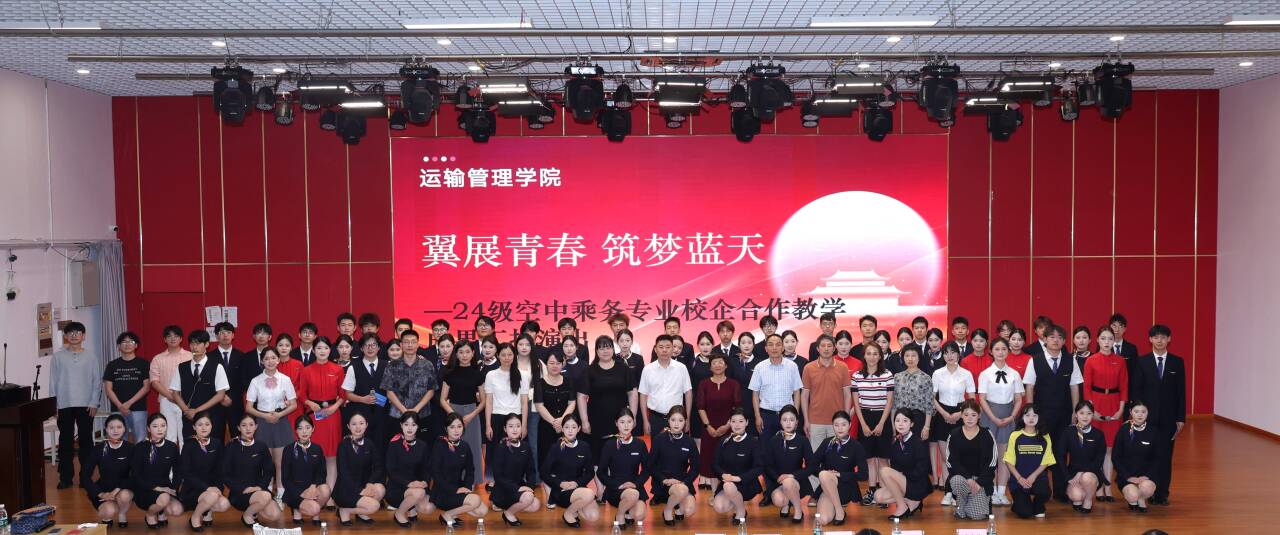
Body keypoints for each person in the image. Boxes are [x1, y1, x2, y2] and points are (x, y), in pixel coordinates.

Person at [1022, 324, 1082, 501]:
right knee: (1040, 450)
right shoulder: (1035, 360)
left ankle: (1060, 491)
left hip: (1064, 413)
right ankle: (1040, 489)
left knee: (1060, 452)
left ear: (1064, 341)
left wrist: (1075, 411)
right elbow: (1029, 387)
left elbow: (1074, 387)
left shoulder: (1071, 360)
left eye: (1059, 337)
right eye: (1052, 337)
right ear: (1045, 339)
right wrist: (1030, 412)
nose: (1056, 340)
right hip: (1041, 414)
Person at [1129, 324, 1185, 505]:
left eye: (1163, 337)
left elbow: (1181, 392)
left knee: (1165, 456)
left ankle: (1162, 494)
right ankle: (1146, 491)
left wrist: (1180, 418)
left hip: (1169, 419)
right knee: (1146, 455)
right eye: (1156, 337)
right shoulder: (1142, 361)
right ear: (1150, 339)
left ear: (1169, 339)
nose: (1159, 340)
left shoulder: (1177, 362)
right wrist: (1137, 415)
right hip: (1147, 418)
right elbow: (1136, 390)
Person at [578, 335, 639, 486]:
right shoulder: (589, 370)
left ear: (613, 349)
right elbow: (581, 397)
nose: (605, 351)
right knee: (597, 455)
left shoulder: (623, 368)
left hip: (620, 421)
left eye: (608, 347)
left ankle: (617, 486)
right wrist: (584, 421)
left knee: (618, 453)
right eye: (601, 348)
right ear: (596, 351)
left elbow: (632, 393)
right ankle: (600, 490)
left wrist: (633, 417)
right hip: (596, 420)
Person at [51, 321, 104, 489]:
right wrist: (54, 405)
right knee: (65, 442)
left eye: (78, 332)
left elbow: (97, 381)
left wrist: (94, 402)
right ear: (65, 336)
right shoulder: (57, 357)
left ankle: (85, 477)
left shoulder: (91, 356)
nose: (74, 335)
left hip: (86, 404)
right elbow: (53, 382)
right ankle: (65, 478)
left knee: (86, 442)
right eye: (70, 333)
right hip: (64, 404)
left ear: (84, 336)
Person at [244, 346, 298, 502]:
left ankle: (281, 492)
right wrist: (265, 416)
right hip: (262, 422)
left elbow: (293, 404)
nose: (270, 361)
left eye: (273, 358)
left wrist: (279, 414)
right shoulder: (255, 381)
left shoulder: (285, 379)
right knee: (265, 461)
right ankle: (266, 491)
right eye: (266, 358)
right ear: (262, 361)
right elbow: (249, 407)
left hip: (281, 421)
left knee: (280, 461)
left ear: (278, 359)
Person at [976, 337, 1024, 506]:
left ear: (1008, 351)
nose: (1000, 352)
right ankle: (992, 492)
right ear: (991, 351)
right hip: (989, 416)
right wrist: (993, 418)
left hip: (1008, 416)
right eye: (997, 349)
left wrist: (1012, 417)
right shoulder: (985, 374)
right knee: (990, 456)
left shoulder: (1014, 374)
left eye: (1004, 349)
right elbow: (982, 399)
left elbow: (1018, 399)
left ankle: (1002, 492)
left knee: (1004, 457)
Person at [1082, 326, 1127, 502]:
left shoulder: (1120, 360)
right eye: (1103, 338)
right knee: (1096, 448)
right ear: (1097, 340)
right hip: (1095, 404)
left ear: (1114, 341)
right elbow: (1087, 387)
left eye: (1110, 339)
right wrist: (1091, 411)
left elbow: (1124, 386)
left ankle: (1108, 487)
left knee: (1109, 448)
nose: (1107, 342)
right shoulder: (1091, 360)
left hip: (1114, 404)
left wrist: (1121, 409)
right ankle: (1098, 487)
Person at [297, 336, 346, 496]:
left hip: (332, 415)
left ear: (330, 350)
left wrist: (334, 407)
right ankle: (314, 491)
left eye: (325, 348)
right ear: (313, 350)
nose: (322, 351)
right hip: (314, 416)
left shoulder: (338, 369)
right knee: (314, 454)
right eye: (319, 348)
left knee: (331, 455)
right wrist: (309, 403)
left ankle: (330, 494)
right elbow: (301, 394)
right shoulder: (306, 370)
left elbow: (343, 394)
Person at [931, 341, 975, 506]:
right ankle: (948, 492)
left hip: (960, 412)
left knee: (958, 456)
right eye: (946, 353)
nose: (949, 356)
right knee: (945, 457)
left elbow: (971, 398)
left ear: (958, 354)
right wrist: (944, 414)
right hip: (942, 414)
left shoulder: (966, 374)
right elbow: (932, 397)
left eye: (953, 352)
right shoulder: (937, 373)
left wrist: (959, 414)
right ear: (943, 355)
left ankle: (958, 492)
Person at [851, 343, 895, 506]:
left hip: (883, 417)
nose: (872, 357)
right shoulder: (856, 376)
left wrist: (882, 423)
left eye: (875, 353)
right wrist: (863, 425)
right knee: (869, 458)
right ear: (864, 356)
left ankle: (883, 491)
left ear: (880, 356)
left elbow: (889, 402)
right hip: (865, 417)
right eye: (868, 353)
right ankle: (871, 490)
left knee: (883, 459)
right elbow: (856, 403)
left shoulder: (887, 375)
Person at [170, 330, 230, 445]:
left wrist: (197, 411)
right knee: (190, 448)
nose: (194, 347)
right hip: (189, 418)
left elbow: (220, 395)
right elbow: (175, 393)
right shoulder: (181, 367)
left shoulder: (217, 367)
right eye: (192, 343)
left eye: (198, 343)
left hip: (212, 417)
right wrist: (186, 410)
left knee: (213, 449)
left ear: (206, 344)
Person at [440, 340, 486, 487]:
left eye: (467, 352)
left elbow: (483, 401)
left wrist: (472, 414)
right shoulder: (449, 373)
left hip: (472, 414)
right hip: (453, 412)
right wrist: (454, 416)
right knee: (453, 447)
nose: (464, 355)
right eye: (461, 352)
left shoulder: (478, 374)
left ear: (473, 353)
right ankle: (455, 479)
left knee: (474, 448)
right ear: (456, 354)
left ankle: (472, 480)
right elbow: (442, 399)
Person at [222, 414, 282, 526]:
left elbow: (269, 471)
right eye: (244, 425)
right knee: (265, 496)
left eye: (251, 425)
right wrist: (242, 488)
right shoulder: (231, 447)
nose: (248, 428)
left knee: (275, 514)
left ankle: (253, 510)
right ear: (239, 428)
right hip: (239, 492)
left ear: (256, 427)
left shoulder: (261, 446)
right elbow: (225, 474)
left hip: (258, 489)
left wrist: (259, 487)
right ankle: (247, 515)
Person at [484, 343, 530, 485]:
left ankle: (517, 479)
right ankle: (492, 481)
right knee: (495, 451)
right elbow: (489, 402)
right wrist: (488, 425)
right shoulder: (491, 375)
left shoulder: (523, 375)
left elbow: (524, 403)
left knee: (516, 451)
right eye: (503, 355)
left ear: (514, 356)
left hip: (516, 418)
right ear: (498, 355)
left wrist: (524, 425)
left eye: (510, 354)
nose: (506, 358)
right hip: (497, 418)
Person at [872, 409, 932, 520]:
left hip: (917, 484)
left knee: (884, 471)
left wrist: (902, 475)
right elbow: (895, 467)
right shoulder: (895, 442)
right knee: (877, 496)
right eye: (897, 420)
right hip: (904, 482)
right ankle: (911, 501)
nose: (900, 424)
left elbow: (923, 469)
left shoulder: (918, 442)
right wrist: (899, 478)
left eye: (905, 421)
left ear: (911, 424)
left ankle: (902, 507)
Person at [812, 411, 867, 526]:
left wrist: (840, 474)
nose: (840, 428)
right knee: (823, 520)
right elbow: (812, 464)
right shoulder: (827, 442)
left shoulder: (856, 446)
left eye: (843, 424)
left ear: (850, 425)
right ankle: (839, 510)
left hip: (845, 487)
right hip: (827, 487)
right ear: (832, 426)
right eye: (836, 425)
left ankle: (839, 510)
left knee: (824, 475)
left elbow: (864, 475)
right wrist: (826, 474)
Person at [542, 414, 598, 527]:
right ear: (562, 429)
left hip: (578, 487)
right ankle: (568, 514)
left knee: (593, 516)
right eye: (567, 427)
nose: (570, 430)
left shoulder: (584, 447)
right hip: (560, 490)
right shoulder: (556, 447)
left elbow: (590, 472)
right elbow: (544, 473)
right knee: (589, 494)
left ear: (579, 428)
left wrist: (577, 483)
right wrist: (560, 483)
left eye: (573, 427)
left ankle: (574, 508)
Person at [760, 405, 814, 523]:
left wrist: (792, 476)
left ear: (797, 422)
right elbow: (768, 466)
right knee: (779, 500)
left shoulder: (803, 440)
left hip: (797, 481)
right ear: (780, 422)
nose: (788, 423)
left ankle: (798, 509)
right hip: (778, 481)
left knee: (788, 482)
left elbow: (811, 467)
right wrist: (778, 478)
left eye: (791, 419)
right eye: (785, 420)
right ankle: (786, 504)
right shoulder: (773, 441)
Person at [696, 353, 741, 492]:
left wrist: (727, 426)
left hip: (729, 428)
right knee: (710, 459)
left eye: (720, 362)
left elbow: (737, 408)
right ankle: (715, 493)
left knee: (728, 459)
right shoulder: (704, 384)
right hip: (709, 428)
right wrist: (708, 426)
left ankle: (729, 492)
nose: (717, 365)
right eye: (714, 363)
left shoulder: (734, 384)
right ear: (710, 367)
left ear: (726, 365)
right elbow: (700, 407)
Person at [944, 400, 996, 521]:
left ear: (979, 416)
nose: (970, 418)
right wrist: (968, 478)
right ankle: (961, 505)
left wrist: (979, 483)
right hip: (963, 479)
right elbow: (951, 462)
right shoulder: (954, 434)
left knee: (976, 516)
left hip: (981, 482)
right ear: (961, 415)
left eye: (973, 415)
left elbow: (992, 463)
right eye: (966, 414)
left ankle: (976, 503)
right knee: (956, 481)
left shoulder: (987, 434)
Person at [178, 412, 229, 531]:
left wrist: (218, 488)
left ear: (211, 426)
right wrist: (207, 488)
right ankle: (195, 517)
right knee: (212, 495)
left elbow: (220, 470)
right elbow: (186, 473)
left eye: (207, 424)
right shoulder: (189, 445)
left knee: (224, 504)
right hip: (193, 489)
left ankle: (207, 510)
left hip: (212, 489)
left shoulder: (217, 443)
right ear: (194, 427)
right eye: (200, 424)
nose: (204, 427)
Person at [597, 409, 650, 526]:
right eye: (622, 422)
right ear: (616, 423)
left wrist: (635, 484)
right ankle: (620, 515)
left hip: (635, 485)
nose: (626, 425)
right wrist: (616, 485)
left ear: (634, 423)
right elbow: (601, 472)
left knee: (639, 515)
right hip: (616, 487)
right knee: (632, 495)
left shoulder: (640, 444)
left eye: (629, 422)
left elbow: (646, 470)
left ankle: (626, 511)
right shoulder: (610, 444)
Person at [534, 350, 576, 494]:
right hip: (546, 426)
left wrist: (562, 421)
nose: (555, 366)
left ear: (563, 364)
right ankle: (549, 493)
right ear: (546, 364)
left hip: (567, 428)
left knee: (566, 457)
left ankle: (565, 490)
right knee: (546, 459)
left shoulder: (568, 381)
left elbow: (572, 403)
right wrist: (554, 422)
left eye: (558, 363)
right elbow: (539, 405)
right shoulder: (539, 383)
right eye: (551, 363)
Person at [81, 414, 135, 527]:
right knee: (108, 511)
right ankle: (109, 514)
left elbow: (135, 475)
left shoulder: (131, 448)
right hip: (104, 489)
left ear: (124, 429)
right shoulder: (98, 449)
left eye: (119, 427)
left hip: (123, 488)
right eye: (111, 427)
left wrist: (116, 490)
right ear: (106, 429)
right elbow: (84, 476)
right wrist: (100, 494)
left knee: (124, 496)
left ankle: (122, 513)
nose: (115, 430)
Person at [131, 413, 184, 528]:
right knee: (164, 498)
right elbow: (135, 475)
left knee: (177, 510)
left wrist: (174, 488)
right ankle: (150, 515)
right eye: (155, 426)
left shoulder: (171, 447)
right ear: (148, 429)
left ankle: (161, 511)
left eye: (163, 425)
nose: (160, 429)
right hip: (145, 488)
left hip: (165, 487)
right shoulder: (140, 447)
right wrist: (157, 488)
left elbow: (178, 470)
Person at [711, 408, 762, 526]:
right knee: (719, 507)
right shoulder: (724, 441)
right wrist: (723, 474)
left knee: (729, 486)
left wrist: (739, 478)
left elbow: (759, 467)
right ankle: (738, 504)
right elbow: (714, 464)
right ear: (729, 422)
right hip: (728, 481)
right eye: (733, 421)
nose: (737, 425)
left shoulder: (753, 442)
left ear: (747, 422)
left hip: (746, 483)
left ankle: (740, 512)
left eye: (741, 421)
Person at [648, 407, 698, 525]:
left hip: (682, 482)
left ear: (685, 422)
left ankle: (678, 506)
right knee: (681, 491)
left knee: (689, 510)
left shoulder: (689, 442)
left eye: (680, 420)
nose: (676, 424)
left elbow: (695, 468)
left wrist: (684, 482)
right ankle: (668, 510)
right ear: (668, 420)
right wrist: (663, 479)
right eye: (673, 420)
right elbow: (651, 465)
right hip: (663, 483)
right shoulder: (659, 439)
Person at [342, 333, 390, 457]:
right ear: (361, 348)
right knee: (361, 450)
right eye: (366, 345)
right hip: (360, 416)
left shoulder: (387, 366)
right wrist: (362, 399)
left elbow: (392, 391)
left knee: (381, 449)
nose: (370, 348)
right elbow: (347, 394)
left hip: (382, 415)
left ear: (378, 347)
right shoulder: (353, 367)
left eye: (373, 345)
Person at [333, 412, 386, 525]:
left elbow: (378, 467)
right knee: (374, 506)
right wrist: (360, 491)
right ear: (348, 426)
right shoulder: (343, 445)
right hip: (346, 489)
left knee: (380, 489)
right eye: (354, 424)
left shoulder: (369, 444)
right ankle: (344, 510)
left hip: (363, 485)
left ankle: (361, 513)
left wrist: (370, 483)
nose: (358, 427)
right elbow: (343, 473)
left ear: (366, 425)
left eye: (361, 423)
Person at [385, 411, 436, 528]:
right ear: (401, 425)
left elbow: (427, 469)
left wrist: (425, 481)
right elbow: (391, 471)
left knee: (428, 508)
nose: (409, 428)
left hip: (418, 486)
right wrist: (409, 483)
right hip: (397, 487)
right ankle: (399, 513)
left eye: (413, 425)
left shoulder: (422, 445)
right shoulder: (394, 444)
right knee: (419, 492)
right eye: (406, 424)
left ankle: (411, 507)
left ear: (418, 426)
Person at [1004, 404, 1055, 519]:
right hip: (1018, 481)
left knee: (1044, 492)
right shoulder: (1015, 435)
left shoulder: (1045, 436)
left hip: (1038, 479)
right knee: (1025, 513)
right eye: (1027, 415)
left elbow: (1046, 461)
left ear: (1039, 417)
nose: (1031, 418)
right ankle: (1019, 503)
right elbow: (1008, 461)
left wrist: (1033, 476)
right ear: (1022, 417)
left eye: (1034, 415)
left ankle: (1038, 504)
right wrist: (1019, 478)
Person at [382, 329, 438, 432]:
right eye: (406, 342)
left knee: (422, 442)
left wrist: (416, 409)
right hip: (398, 415)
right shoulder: (392, 366)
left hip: (422, 414)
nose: (410, 345)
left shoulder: (427, 365)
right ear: (401, 345)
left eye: (413, 342)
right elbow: (389, 392)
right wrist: (404, 410)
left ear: (418, 344)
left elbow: (431, 390)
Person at [802, 335, 851, 452]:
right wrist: (806, 420)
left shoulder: (843, 367)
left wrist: (846, 418)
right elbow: (804, 396)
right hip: (815, 421)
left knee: (836, 456)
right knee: (816, 457)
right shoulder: (808, 368)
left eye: (829, 346)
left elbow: (847, 395)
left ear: (834, 348)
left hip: (837, 422)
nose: (826, 348)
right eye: (823, 346)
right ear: (817, 349)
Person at [490, 414, 541, 526]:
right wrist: (518, 488)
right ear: (505, 429)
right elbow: (498, 477)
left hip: (518, 488)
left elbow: (531, 471)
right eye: (511, 426)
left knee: (535, 505)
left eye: (518, 426)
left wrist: (530, 487)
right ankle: (508, 513)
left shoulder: (525, 446)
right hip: (503, 490)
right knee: (528, 498)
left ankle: (510, 507)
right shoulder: (501, 447)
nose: (515, 429)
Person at [750, 334, 804, 439]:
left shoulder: (792, 366)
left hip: (787, 415)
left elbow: (797, 392)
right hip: (766, 416)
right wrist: (757, 416)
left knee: (786, 446)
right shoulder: (759, 367)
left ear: (783, 347)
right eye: (770, 345)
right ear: (766, 348)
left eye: (778, 344)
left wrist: (795, 415)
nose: (774, 348)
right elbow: (755, 394)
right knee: (766, 447)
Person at [1112, 401, 1162, 513]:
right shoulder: (1123, 430)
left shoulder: (1153, 431)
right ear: (1131, 412)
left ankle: (1141, 498)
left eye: (1143, 412)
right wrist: (1128, 476)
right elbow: (1116, 457)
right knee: (1132, 495)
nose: (1140, 415)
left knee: (1147, 488)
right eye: (1136, 411)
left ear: (1148, 413)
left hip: (1146, 476)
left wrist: (1147, 476)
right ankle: (1134, 498)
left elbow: (1158, 458)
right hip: (1127, 476)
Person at [1058, 400, 1107, 514]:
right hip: (1073, 474)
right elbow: (1060, 456)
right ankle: (1082, 495)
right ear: (1076, 414)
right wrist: (1068, 477)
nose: (1085, 416)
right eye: (1081, 413)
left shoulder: (1098, 434)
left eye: (1089, 413)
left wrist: (1082, 472)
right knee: (1076, 496)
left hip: (1092, 473)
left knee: (1087, 477)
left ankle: (1088, 499)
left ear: (1093, 415)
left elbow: (1099, 460)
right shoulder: (1068, 432)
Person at [639, 335, 693, 438]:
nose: (664, 350)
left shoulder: (681, 368)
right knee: (656, 447)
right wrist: (645, 420)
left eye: (668, 347)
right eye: (661, 347)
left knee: (678, 447)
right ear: (655, 349)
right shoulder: (647, 369)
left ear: (672, 349)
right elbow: (643, 395)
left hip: (677, 418)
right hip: (655, 418)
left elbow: (688, 393)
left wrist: (687, 419)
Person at [281, 416, 330, 525]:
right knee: (313, 508)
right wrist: (301, 493)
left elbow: (322, 473)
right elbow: (285, 479)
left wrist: (313, 486)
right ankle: (296, 510)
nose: (304, 431)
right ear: (296, 430)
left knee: (325, 489)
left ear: (313, 429)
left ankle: (316, 516)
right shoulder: (288, 449)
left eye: (307, 427)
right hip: (295, 491)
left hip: (312, 489)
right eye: (300, 428)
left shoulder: (317, 448)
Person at [104, 331, 151, 442]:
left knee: (141, 440)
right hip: (117, 409)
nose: (127, 344)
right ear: (119, 346)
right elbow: (108, 389)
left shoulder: (144, 363)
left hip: (138, 408)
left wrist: (129, 403)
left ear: (136, 345)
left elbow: (146, 387)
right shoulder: (112, 365)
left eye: (131, 342)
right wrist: (120, 405)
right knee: (118, 439)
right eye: (124, 342)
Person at [151, 325, 193, 445]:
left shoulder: (190, 356)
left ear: (181, 338)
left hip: (186, 400)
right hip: (166, 400)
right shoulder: (158, 359)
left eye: (176, 336)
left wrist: (178, 398)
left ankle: (184, 457)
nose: (172, 338)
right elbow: (154, 381)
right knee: (169, 435)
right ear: (164, 339)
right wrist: (170, 396)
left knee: (185, 434)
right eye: (169, 336)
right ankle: (170, 457)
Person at [231, 323, 273, 439]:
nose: (261, 336)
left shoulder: (275, 355)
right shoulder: (246, 357)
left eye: (264, 333)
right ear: (254, 336)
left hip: (273, 402)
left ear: (270, 337)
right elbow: (243, 380)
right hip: (254, 402)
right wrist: (257, 393)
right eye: (258, 333)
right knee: (257, 434)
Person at [213, 322, 248, 439]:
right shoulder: (209, 357)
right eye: (221, 333)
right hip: (216, 404)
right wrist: (221, 397)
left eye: (228, 332)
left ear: (233, 335)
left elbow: (243, 381)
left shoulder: (241, 356)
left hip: (235, 403)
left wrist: (231, 397)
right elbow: (209, 382)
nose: (225, 335)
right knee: (216, 437)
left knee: (238, 436)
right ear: (216, 336)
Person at [892, 346, 934, 439]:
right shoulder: (897, 377)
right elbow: (894, 404)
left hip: (918, 420)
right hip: (900, 420)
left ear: (919, 358)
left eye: (913, 355)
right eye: (907, 356)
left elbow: (929, 404)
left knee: (918, 446)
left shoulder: (926, 378)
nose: (910, 359)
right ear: (903, 358)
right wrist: (893, 424)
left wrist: (927, 427)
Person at [274, 334, 306, 427]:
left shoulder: (298, 364)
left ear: (291, 347)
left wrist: (292, 399)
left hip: (295, 405)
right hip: (276, 405)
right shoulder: (272, 365)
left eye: (287, 345)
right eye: (280, 345)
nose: (284, 348)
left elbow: (302, 387)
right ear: (276, 347)